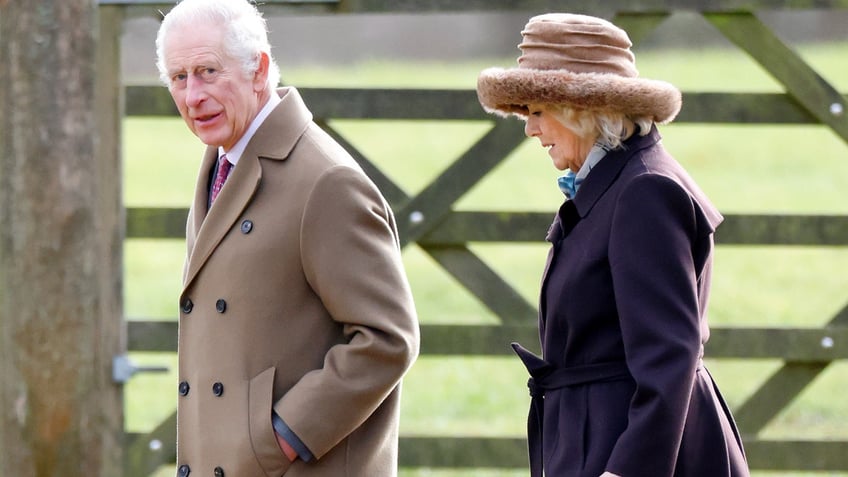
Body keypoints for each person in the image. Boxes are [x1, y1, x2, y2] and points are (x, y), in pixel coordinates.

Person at [476, 13, 749, 477]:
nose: (529, 129)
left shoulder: (644, 191)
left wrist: (627, 470)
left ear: (580, 107)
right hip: (597, 435)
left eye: (537, 111)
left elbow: (669, 354)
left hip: (630, 449)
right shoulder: (615, 181)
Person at [155, 1, 420, 475]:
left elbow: (387, 338)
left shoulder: (326, 181)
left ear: (258, 70)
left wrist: (285, 434)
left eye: (208, 71)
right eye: (178, 77)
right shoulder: (222, 160)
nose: (192, 95)